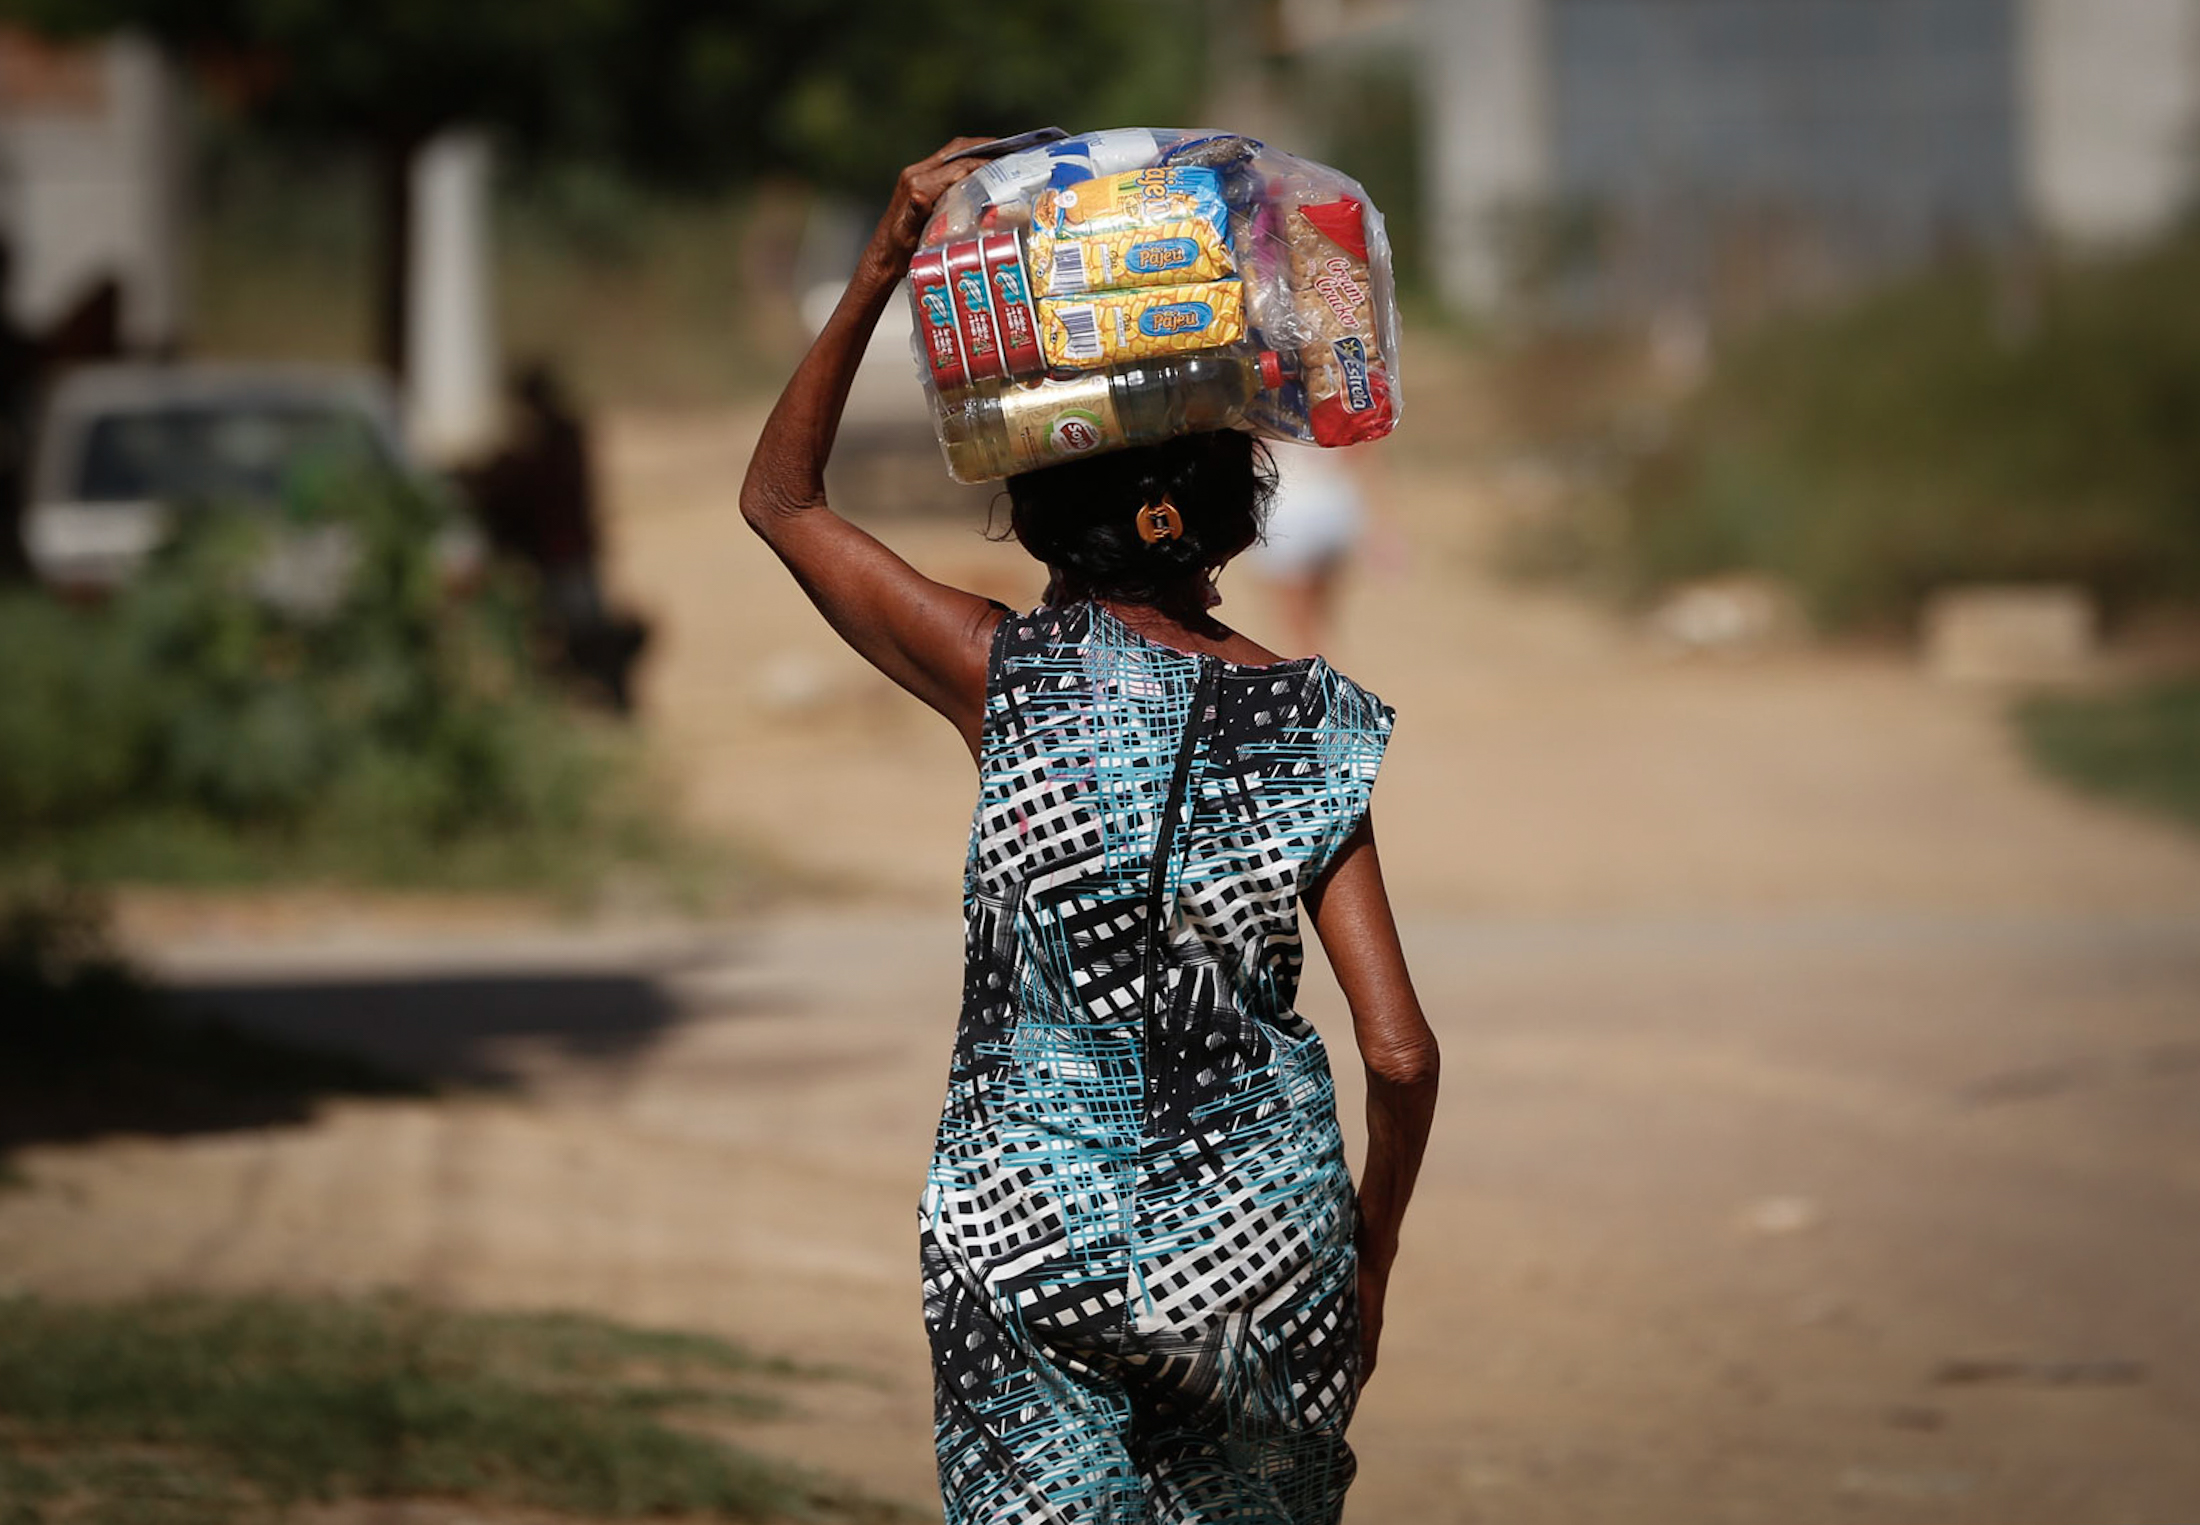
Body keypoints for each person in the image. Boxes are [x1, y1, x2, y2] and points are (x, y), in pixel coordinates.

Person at [739, 140, 1440, 1525]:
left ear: (1037, 498)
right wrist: (1368, 1258)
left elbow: (781, 501)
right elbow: (1399, 1048)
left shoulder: (998, 673)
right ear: (1233, 515)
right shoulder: (1315, 724)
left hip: (1025, 1237)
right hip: (1262, 1249)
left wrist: (886, 253)